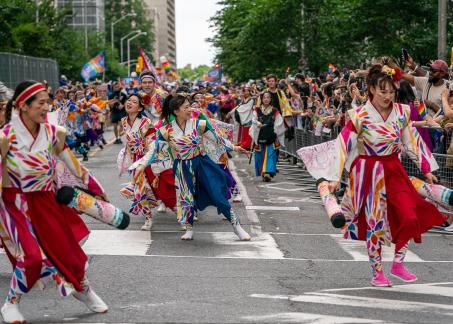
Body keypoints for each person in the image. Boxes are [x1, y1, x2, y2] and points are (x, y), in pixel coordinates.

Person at [298, 63, 445, 287]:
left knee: (410, 214)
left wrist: (427, 169)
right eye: (382, 90)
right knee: (375, 224)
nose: (388, 95)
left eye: (391, 91)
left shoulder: (402, 113)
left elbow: (412, 142)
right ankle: (377, 272)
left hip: (394, 168)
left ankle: (398, 263)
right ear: (371, 90)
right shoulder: (359, 115)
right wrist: (335, 176)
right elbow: (343, 145)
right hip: (367, 171)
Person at [0, 81, 108, 323]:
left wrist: (95, 188)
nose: (47, 107)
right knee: (31, 256)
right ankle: (11, 303)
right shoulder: (5, 137)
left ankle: (84, 291)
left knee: (69, 253)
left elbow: (73, 163)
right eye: (41, 103)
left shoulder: (52, 132)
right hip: (14, 204)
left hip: (45, 200)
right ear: (23, 106)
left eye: (48, 102)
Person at [132, 94, 251, 241]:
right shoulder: (165, 131)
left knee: (218, 195)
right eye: (186, 107)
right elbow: (154, 150)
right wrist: (142, 165)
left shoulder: (199, 124)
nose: (190, 109)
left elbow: (217, 139)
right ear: (176, 111)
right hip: (182, 167)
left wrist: (234, 147)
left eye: (189, 106)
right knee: (186, 199)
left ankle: (237, 227)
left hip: (202, 163)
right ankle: (189, 228)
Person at [119, 93, 176, 231]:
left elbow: (152, 146)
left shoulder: (146, 122)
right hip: (135, 160)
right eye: (128, 100)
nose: (129, 103)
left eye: (134, 101)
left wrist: (143, 162)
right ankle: (148, 218)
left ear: (139, 108)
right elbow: (127, 142)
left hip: (149, 160)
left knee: (161, 189)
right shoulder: (124, 121)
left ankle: (182, 215)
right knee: (140, 191)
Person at [250, 91, 285, 182]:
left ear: (270, 99)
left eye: (268, 97)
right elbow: (253, 120)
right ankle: (263, 172)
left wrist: (276, 131)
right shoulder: (257, 110)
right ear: (261, 99)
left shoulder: (275, 111)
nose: (266, 99)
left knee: (271, 154)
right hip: (260, 134)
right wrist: (258, 123)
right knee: (259, 155)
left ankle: (268, 172)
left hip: (271, 136)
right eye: (264, 97)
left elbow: (279, 123)